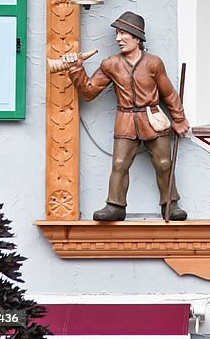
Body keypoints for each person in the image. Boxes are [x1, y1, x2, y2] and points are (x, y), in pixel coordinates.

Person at [62, 12, 189, 222]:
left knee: (164, 163)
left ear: (137, 38)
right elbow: (89, 92)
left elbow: (168, 93)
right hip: (126, 119)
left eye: (123, 33)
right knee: (120, 164)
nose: (118, 38)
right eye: (117, 33)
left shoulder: (153, 63)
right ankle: (115, 205)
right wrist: (76, 69)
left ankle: (170, 204)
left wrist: (178, 118)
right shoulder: (111, 64)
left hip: (153, 118)